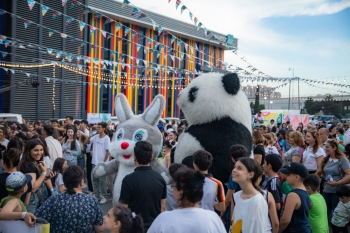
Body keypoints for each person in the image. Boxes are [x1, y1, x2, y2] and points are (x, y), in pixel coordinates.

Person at [148, 169, 226, 233]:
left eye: (173, 187)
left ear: (180, 192)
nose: (172, 189)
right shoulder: (212, 218)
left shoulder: (164, 219)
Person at [35, 166, 104, 233]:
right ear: (81, 182)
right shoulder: (92, 201)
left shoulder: (53, 200)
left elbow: (36, 218)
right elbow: (99, 229)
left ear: (64, 182)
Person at [119, 141, 166, 231]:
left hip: (135, 227)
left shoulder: (128, 180)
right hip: (155, 227)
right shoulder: (160, 179)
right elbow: (162, 207)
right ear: (152, 156)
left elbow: (123, 208)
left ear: (135, 158)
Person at [230, 157, 268, 233]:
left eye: (239, 168)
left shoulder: (257, 201)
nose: (234, 170)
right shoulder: (239, 195)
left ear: (250, 174)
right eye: (234, 167)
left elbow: (258, 230)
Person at [317, 139, 350, 223]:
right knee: (325, 212)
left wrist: (337, 183)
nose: (325, 148)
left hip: (337, 192)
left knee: (336, 214)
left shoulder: (342, 160)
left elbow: (349, 175)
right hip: (326, 190)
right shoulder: (326, 159)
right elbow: (319, 172)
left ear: (334, 148)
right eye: (325, 146)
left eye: (327, 147)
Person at [18, 139, 55, 213]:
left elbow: (35, 182)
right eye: (36, 150)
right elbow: (33, 188)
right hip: (31, 202)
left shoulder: (34, 162)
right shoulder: (28, 165)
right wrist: (44, 173)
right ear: (29, 151)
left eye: (41, 150)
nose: (39, 153)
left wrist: (45, 178)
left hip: (35, 200)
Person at [279, 163, 312, 233]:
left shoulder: (293, 195)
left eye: (288, 174)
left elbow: (285, 220)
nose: (286, 176)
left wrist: (277, 231)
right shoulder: (305, 192)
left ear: (297, 177)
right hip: (305, 228)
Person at [86, 122, 110, 204]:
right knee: (95, 180)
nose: (97, 129)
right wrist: (88, 136)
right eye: (97, 127)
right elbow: (87, 143)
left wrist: (104, 162)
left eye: (99, 127)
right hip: (94, 162)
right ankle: (97, 196)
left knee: (103, 181)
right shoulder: (95, 137)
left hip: (102, 163)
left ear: (104, 128)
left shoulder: (107, 138)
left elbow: (107, 151)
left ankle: (104, 196)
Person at [225, 144, 247, 229]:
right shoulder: (251, 170)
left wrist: (222, 212)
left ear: (232, 158)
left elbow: (228, 199)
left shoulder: (235, 174)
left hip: (234, 211)